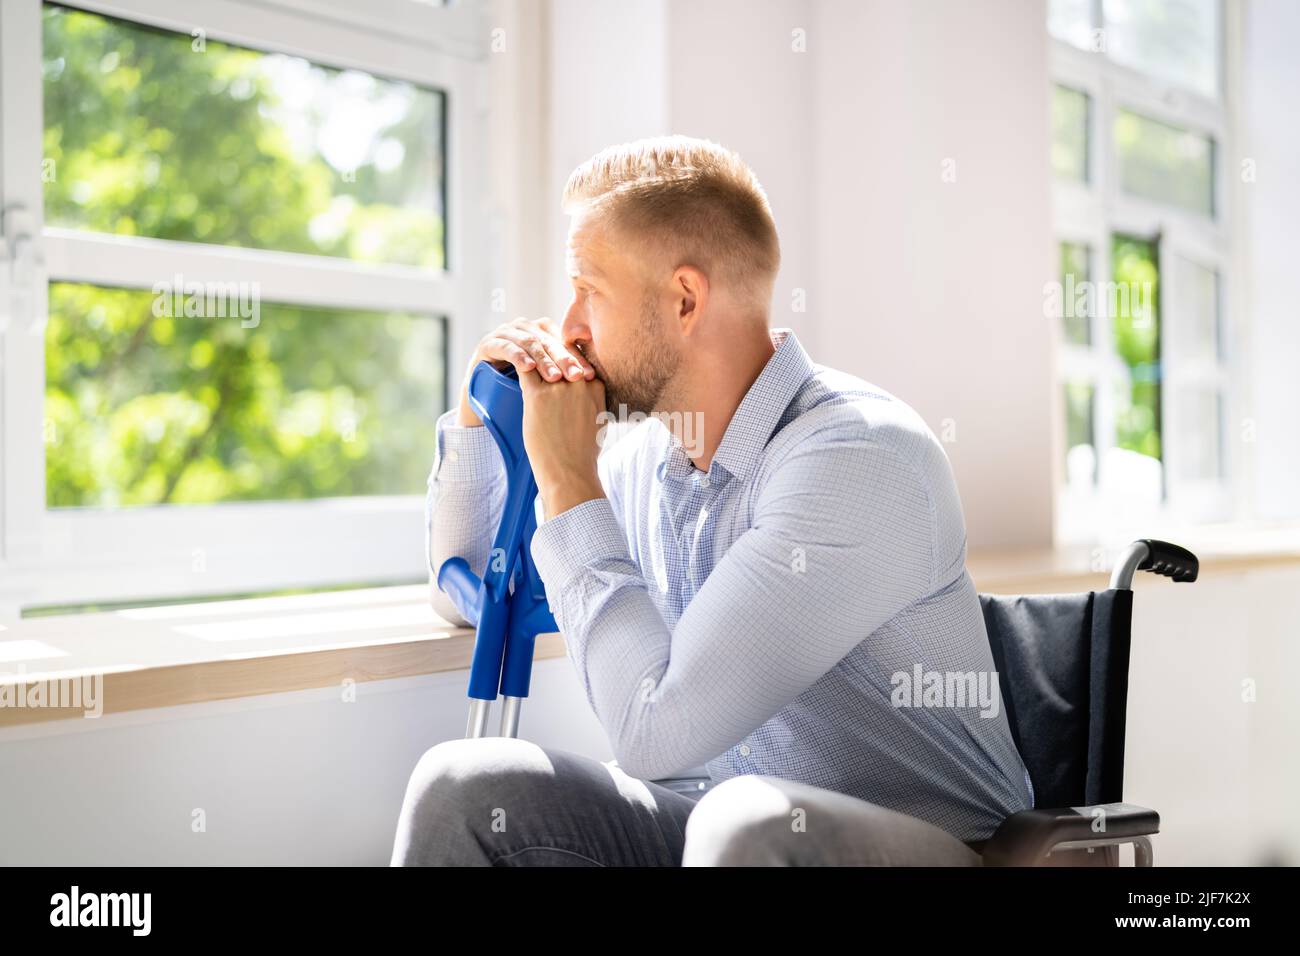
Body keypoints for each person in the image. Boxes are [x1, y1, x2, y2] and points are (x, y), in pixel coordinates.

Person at [391, 135, 1032, 866]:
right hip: (715, 837)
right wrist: (481, 423)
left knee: (745, 821)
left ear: (685, 300)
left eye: (589, 291)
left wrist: (569, 481)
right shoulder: (641, 466)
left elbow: (654, 736)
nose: (567, 326)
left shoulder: (857, 459)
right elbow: (466, 589)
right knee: (463, 786)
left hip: (939, 848)